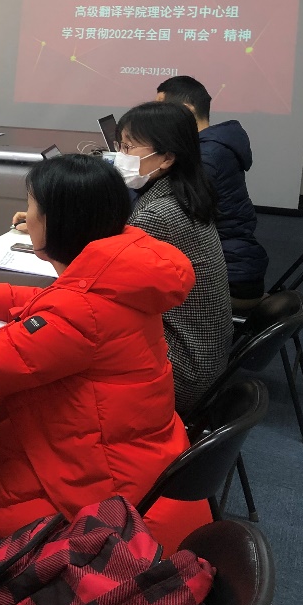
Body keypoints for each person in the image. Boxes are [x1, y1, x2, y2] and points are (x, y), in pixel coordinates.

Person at [0, 155, 209, 557]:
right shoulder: (120, 274)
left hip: (112, 515)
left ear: (56, 222)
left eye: (31, 208)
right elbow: (53, 302)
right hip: (136, 465)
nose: (25, 218)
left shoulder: (81, 312)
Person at [116, 101, 234, 413]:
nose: (121, 157)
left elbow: (108, 285)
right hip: (206, 358)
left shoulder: (157, 215)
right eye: (120, 146)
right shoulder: (186, 193)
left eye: (128, 147)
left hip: (182, 369)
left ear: (168, 157)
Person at [156, 75, 268, 311]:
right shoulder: (211, 146)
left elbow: (169, 212)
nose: (156, 117)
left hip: (230, 279)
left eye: (161, 109)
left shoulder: (207, 157)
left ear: (187, 111)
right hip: (238, 262)